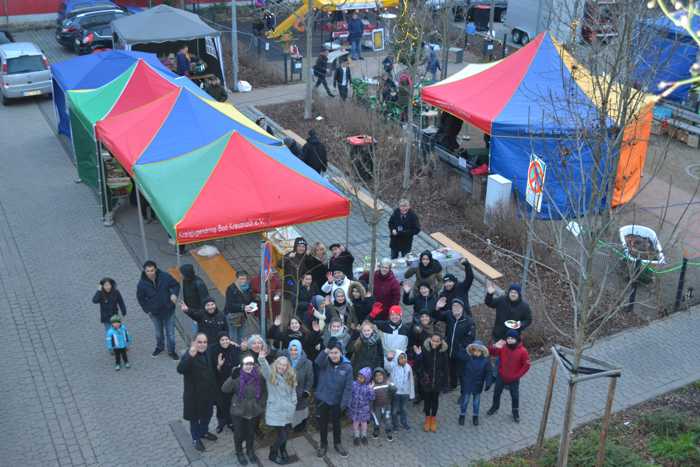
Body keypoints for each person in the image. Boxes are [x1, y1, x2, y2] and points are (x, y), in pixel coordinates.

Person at [177, 333, 220, 452]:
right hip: (194, 395)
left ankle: (204, 432)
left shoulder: (207, 352)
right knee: (195, 418)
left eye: (204, 342)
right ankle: (196, 439)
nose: (202, 344)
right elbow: (180, 369)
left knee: (207, 415)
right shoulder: (188, 355)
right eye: (199, 342)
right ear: (193, 343)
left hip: (208, 393)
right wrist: (190, 356)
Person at [221, 353, 266, 465]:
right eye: (246, 363)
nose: (249, 366)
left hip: (253, 409)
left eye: (251, 363)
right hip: (238, 410)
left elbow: (264, 392)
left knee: (250, 433)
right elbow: (224, 389)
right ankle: (239, 452)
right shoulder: (236, 374)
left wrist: (261, 404)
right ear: (242, 364)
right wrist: (232, 377)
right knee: (239, 433)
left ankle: (250, 451)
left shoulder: (259, 375)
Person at [315, 340, 353, 458]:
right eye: (331, 353)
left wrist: (343, 404)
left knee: (337, 424)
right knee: (323, 424)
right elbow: (317, 362)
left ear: (341, 353)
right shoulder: (324, 362)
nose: (333, 355)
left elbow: (348, 387)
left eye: (336, 352)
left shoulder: (347, 367)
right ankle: (323, 445)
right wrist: (326, 350)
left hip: (337, 401)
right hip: (323, 399)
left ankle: (337, 444)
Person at [258, 351, 297, 465]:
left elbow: (293, 391)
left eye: (284, 365)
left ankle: (282, 449)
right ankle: (273, 453)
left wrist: (294, 402)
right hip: (277, 410)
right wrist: (261, 359)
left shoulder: (291, 375)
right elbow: (265, 369)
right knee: (283, 434)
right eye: (280, 364)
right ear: (276, 364)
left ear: (287, 366)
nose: (282, 367)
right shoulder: (271, 376)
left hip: (288, 409)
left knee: (285, 432)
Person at [136, 260, 180, 359]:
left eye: (152, 270)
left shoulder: (165, 277)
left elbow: (176, 285)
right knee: (158, 333)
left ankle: (171, 351)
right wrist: (148, 310)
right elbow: (140, 298)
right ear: (144, 271)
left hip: (169, 310)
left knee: (171, 334)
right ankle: (160, 347)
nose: (150, 273)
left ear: (155, 269)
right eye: (148, 271)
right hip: (155, 313)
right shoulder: (142, 284)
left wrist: (174, 294)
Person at [487, 330, 531, 423]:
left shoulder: (523, 351)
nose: (510, 340)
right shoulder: (503, 347)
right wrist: (494, 346)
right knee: (496, 393)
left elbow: (526, 366)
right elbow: (491, 352)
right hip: (501, 376)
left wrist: (517, 376)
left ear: (516, 339)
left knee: (515, 396)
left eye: (512, 338)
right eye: (508, 338)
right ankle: (495, 407)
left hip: (514, 379)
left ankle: (515, 412)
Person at [437, 297, 476, 391]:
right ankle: (449, 384)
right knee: (448, 369)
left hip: (459, 352)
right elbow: (438, 316)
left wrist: (460, 348)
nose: (456, 308)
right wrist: (437, 308)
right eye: (454, 306)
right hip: (448, 349)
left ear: (462, 308)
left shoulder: (469, 322)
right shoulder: (449, 315)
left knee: (459, 372)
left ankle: (460, 389)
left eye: (458, 306)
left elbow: (470, 338)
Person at [415, 333, 448, 433]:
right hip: (427, 382)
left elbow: (446, 369)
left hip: (437, 382)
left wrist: (445, 383)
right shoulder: (425, 350)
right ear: (430, 340)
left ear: (440, 342)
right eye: (433, 340)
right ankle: (427, 419)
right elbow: (419, 366)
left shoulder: (443, 353)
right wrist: (419, 356)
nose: (434, 342)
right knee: (427, 401)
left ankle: (433, 419)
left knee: (435, 401)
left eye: (437, 341)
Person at [455, 340, 492, 426]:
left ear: (482, 351)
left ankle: (475, 416)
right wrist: (465, 349)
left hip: (478, 384)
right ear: (472, 350)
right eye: (474, 350)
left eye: (479, 351)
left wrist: (488, 383)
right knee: (465, 401)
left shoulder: (486, 361)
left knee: (476, 402)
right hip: (467, 383)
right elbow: (459, 355)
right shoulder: (467, 358)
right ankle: (462, 415)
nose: (476, 352)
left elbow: (489, 372)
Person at [281, 340, 314, 432]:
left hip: (300, 393)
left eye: (296, 350)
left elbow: (310, 379)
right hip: (287, 392)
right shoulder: (284, 361)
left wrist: (307, 391)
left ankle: (300, 426)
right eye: (291, 349)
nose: (293, 352)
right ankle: (289, 425)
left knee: (300, 411)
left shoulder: (308, 363)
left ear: (300, 350)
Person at [211, 332, 241, 433]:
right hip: (221, 382)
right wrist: (219, 365)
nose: (225, 342)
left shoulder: (235, 349)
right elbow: (214, 370)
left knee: (232, 403)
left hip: (233, 381)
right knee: (221, 404)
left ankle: (231, 422)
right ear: (219, 341)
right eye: (222, 340)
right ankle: (221, 423)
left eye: (226, 339)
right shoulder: (215, 351)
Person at [385, 349, 414, 430]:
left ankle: (404, 422)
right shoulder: (393, 366)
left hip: (405, 393)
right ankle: (395, 425)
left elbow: (411, 381)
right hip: (396, 393)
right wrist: (389, 359)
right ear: (397, 358)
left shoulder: (408, 367)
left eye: (404, 358)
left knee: (404, 409)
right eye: (400, 358)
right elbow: (387, 367)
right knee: (394, 410)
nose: (403, 360)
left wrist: (411, 393)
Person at [225, 270, 256, 344]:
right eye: (241, 279)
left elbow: (251, 299)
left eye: (244, 279)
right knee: (233, 337)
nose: (243, 281)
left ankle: (240, 351)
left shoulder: (248, 288)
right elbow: (229, 305)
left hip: (243, 316)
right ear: (237, 278)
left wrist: (252, 305)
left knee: (242, 336)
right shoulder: (231, 289)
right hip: (233, 317)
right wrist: (243, 307)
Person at [180, 264, 209, 334]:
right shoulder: (185, 280)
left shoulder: (199, 283)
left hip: (198, 313)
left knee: (198, 333)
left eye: (182, 274)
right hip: (191, 311)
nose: (180, 275)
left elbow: (205, 300)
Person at [349, 367, 374, 447]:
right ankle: (356, 436)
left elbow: (372, 398)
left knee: (364, 423)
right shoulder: (353, 384)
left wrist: (371, 390)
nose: (359, 378)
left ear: (366, 379)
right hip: (355, 409)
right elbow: (350, 393)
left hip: (364, 410)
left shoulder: (368, 387)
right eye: (358, 376)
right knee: (355, 422)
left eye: (362, 377)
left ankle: (364, 436)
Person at [370, 367, 396, 441]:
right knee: (376, 420)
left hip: (387, 406)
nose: (379, 377)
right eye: (376, 375)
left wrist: (390, 384)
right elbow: (370, 397)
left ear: (384, 375)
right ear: (374, 377)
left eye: (380, 375)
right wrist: (370, 407)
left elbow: (394, 390)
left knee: (387, 420)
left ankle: (389, 432)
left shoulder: (387, 383)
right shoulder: (373, 386)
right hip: (376, 407)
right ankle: (376, 431)